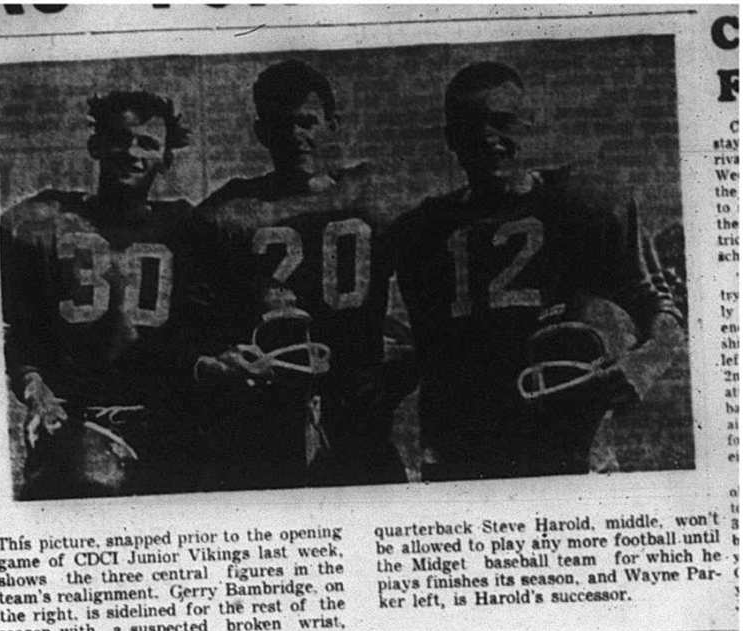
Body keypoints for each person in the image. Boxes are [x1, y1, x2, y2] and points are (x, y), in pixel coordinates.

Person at [394, 62, 684, 481]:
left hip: (566, 440)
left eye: (502, 122)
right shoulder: (424, 230)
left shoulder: (583, 206)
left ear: (529, 124)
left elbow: (659, 311)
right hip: (463, 449)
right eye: (470, 127)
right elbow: (422, 346)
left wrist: (643, 366)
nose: (487, 138)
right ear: (451, 138)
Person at [190, 60, 414, 490]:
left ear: (332, 124)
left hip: (357, 410)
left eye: (307, 122)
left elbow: (434, 275)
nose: (295, 135)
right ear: (261, 132)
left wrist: (402, 370)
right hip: (267, 414)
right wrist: (221, 361)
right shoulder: (230, 210)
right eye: (281, 124)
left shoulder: (374, 194)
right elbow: (192, 310)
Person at [1, 90, 200, 498]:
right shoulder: (46, 222)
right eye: (119, 139)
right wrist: (36, 391)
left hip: (165, 427)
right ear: (96, 145)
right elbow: (23, 333)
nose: (131, 152)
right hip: (77, 426)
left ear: (166, 159)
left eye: (147, 143)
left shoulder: (187, 228)